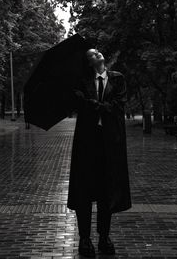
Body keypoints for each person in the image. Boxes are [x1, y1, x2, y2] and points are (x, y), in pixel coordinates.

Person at [68, 48, 132, 257]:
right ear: (88, 63)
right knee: (83, 191)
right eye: (91, 55)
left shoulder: (118, 79)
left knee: (107, 190)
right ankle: (85, 239)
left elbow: (118, 106)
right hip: (87, 142)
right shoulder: (82, 82)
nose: (96, 55)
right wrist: (95, 105)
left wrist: (92, 104)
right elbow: (78, 105)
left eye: (97, 52)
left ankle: (104, 236)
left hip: (110, 143)